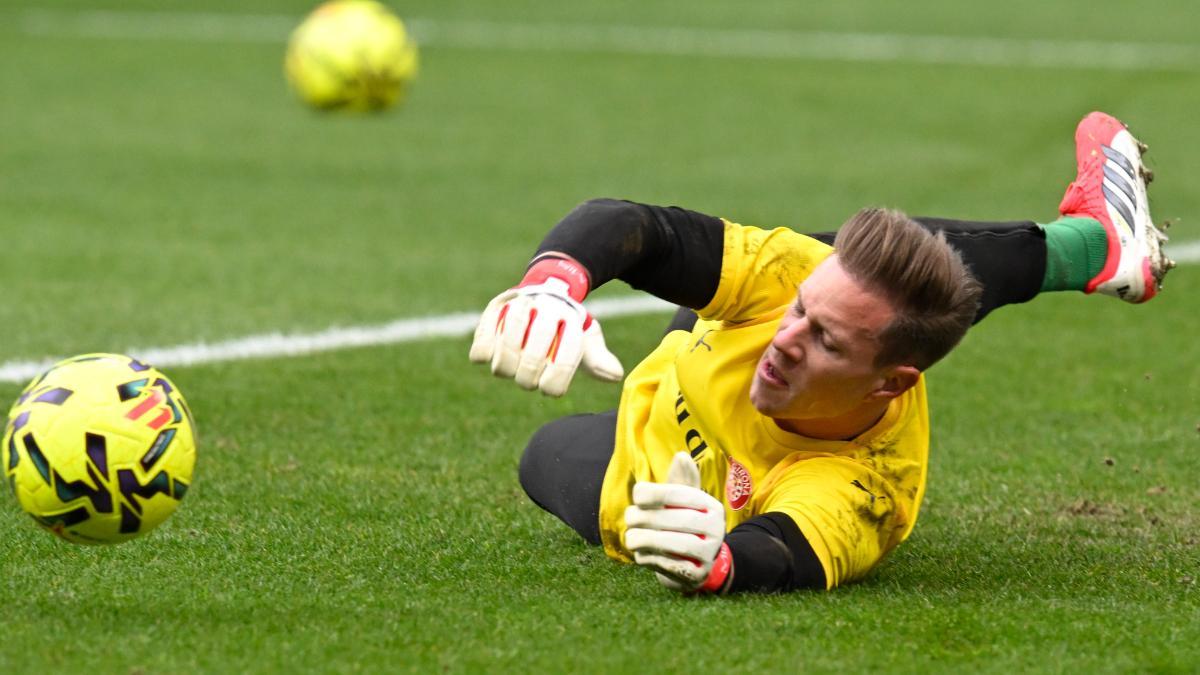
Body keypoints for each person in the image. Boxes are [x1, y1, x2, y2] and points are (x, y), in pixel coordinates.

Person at [468, 112, 1174, 594]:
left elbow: (784, 552)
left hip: (652, 479)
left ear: (888, 387)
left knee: (543, 456)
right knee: (864, 268)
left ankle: (1094, 248)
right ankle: (1094, 246)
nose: (786, 338)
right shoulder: (786, 287)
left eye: (822, 341)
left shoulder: (868, 486)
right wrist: (554, 282)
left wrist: (714, 564)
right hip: (688, 358)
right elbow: (636, 226)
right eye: (801, 313)